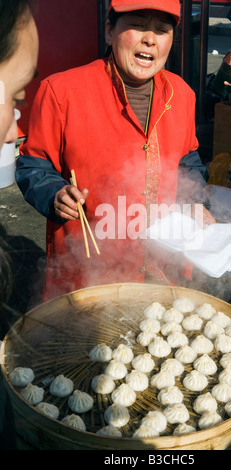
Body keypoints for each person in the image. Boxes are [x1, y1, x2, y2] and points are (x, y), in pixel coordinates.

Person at [16, 0, 214, 303]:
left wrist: (197, 200)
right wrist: (53, 192)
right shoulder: (61, 92)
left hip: (164, 268)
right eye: (137, 26)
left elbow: (188, 161)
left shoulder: (182, 95)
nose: (150, 39)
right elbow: (33, 164)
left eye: (161, 30)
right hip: (89, 272)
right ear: (110, 32)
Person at [0, 0, 39, 450]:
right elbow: (36, 162)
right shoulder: (71, 90)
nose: (14, 132)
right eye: (15, 97)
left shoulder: (180, 94)